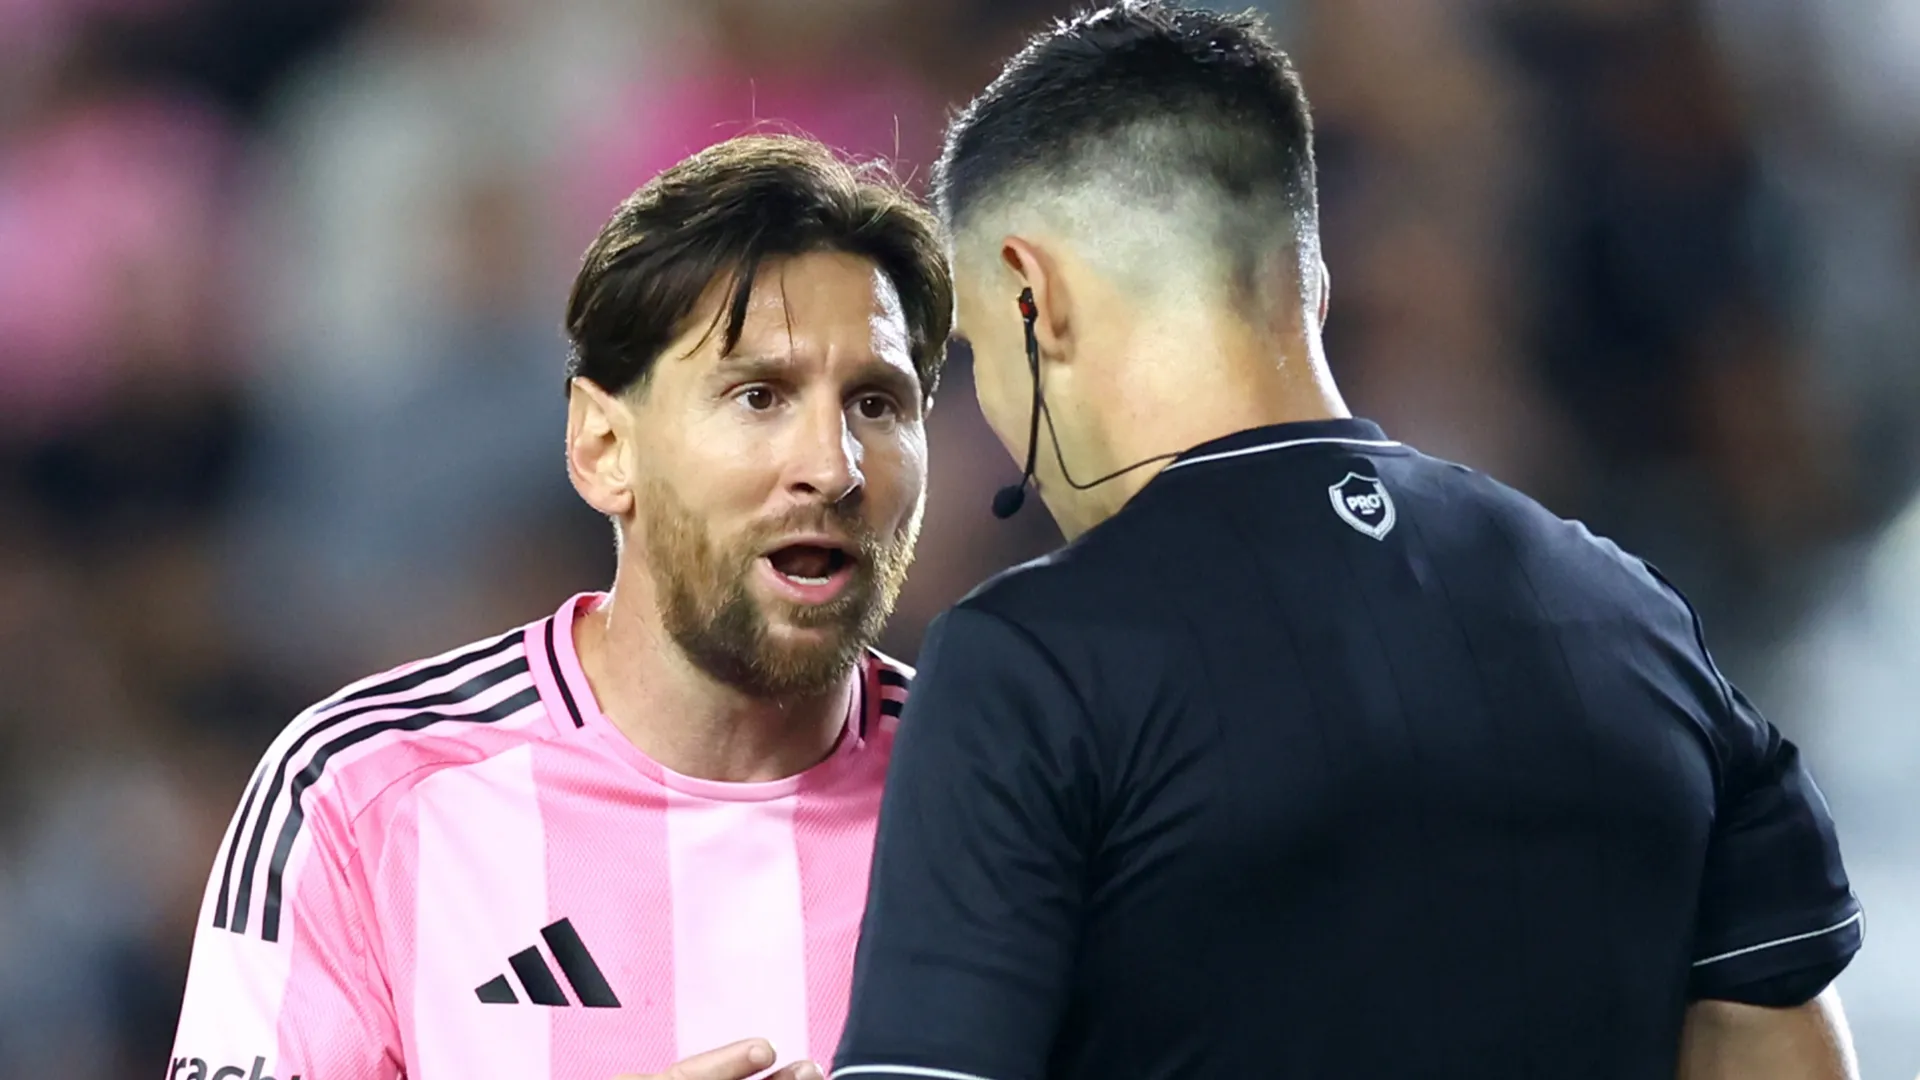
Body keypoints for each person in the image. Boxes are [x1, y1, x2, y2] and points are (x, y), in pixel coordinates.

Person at [832, 5, 1863, 1080]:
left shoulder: (1026, 667)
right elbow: (1780, 1044)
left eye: (976, 350)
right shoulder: (1634, 618)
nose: (992, 408)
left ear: (1034, 296)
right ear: (1310, 283)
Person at [167, 134, 951, 1080]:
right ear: (602, 447)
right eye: (758, 396)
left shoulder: (1008, 794)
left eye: (876, 403)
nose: (832, 465)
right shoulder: (360, 794)